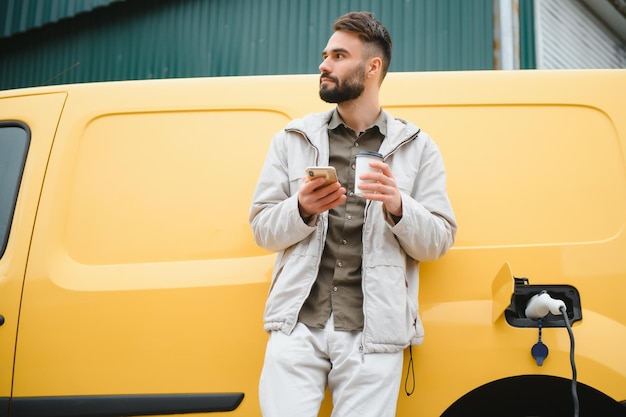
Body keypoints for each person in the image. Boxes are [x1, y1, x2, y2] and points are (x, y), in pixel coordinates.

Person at [249, 11, 457, 417]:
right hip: (296, 328)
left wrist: (399, 207)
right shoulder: (293, 139)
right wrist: (301, 209)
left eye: (339, 56)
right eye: (326, 55)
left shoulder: (418, 146)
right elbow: (261, 228)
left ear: (373, 67)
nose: (324, 65)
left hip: (373, 336)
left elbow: (439, 240)